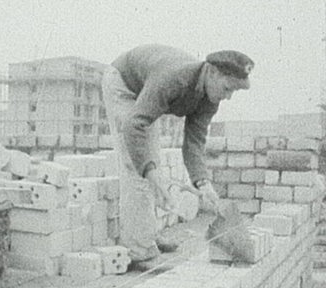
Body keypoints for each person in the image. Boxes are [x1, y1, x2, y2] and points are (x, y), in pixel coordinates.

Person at [101, 44, 254, 269]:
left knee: (151, 162)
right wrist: (151, 174)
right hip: (123, 84)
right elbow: (135, 125)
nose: (228, 97)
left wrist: (203, 183)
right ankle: (141, 252)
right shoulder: (174, 78)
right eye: (227, 88)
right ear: (211, 72)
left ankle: (146, 235)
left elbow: (193, 143)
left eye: (233, 92)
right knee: (138, 169)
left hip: (144, 90)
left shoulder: (211, 99)